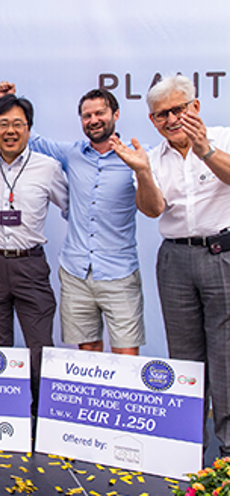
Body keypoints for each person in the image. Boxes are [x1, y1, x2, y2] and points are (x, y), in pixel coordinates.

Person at [110, 74, 230, 455]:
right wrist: (142, 172)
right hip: (175, 258)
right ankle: (189, 445)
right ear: (152, 120)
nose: (171, 119)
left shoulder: (224, 139)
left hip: (221, 254)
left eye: (178, 109)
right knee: (185, 355)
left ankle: (228, 448)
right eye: (161, 115)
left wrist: (205, 149)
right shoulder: (150, 156)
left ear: (195, 106)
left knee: (226, 352)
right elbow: (152, 209)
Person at [0, 81, 145, 356]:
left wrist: (142, 169)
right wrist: (10, 101)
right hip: (76, 271)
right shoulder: (72, 153)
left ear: (116, 114)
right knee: (87, 351)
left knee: (126, 355)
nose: (94, 120)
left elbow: (153, 203)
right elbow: (34, 139)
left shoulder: (137, 156)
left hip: (119, 272)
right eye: (87, 116)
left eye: (100, 113)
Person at [0, 94, 68, 414]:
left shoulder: (49, 167)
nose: (10, 131)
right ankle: (5, 416)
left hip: (30, 265)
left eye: (18, 124)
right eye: (3, 124)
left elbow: (72, 209)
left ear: (29, 130)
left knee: (40, 347)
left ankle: (43, 416)